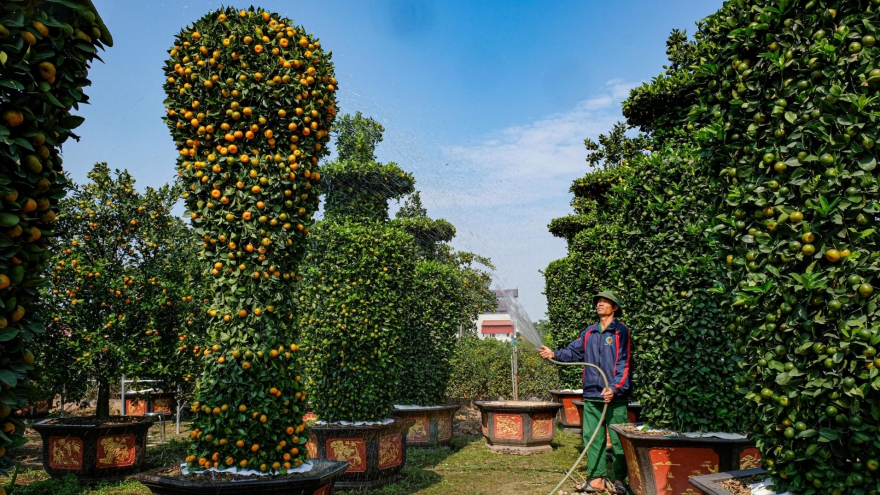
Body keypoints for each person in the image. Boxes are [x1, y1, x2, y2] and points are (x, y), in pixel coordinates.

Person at [539, 290, 631, 494]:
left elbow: (625, 363)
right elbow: (573, 352)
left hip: (615, 397)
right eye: (598, 301)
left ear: (614, 308)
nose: (600, 304)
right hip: (592, 393)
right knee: (592, 437)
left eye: (605, 301)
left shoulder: (620, 332)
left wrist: (615, 388)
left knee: (618, 441)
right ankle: (596, 479)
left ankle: (620, 480)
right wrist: (554, 353)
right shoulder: (589, 332)